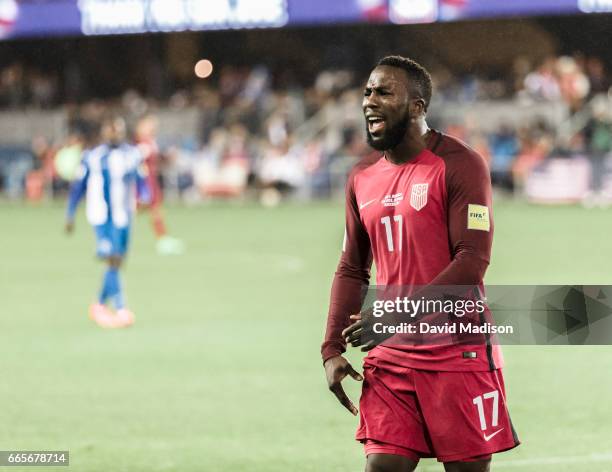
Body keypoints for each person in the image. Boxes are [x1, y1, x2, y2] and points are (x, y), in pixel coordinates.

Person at [321, 56, 520, 471]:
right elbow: (352, 268)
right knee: (382, 465)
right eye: (367, 92)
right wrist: (331, 349)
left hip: (456, 353)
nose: (369, 101)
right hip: (390, 355)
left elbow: (472, 261)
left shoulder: (460, 164)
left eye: (384, 92)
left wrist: (396, 313)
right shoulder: (361, 175)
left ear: (417, 106)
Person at [65, 116, 149, 328]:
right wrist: (70, 213)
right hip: (101, 216)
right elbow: (78, 187)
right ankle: (121, 309)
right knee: (111, 257)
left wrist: (145, 197)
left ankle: (99, 305)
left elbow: (141, 180)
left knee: (118, 262)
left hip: (124, 216)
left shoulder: (132, 154)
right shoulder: (92, 157)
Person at [134, 114, 185, 255]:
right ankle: (114, 233)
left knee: (154, 210)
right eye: (149, 124)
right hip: (144, 181)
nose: (153, 126)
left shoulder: (150, 141)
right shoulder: (142, 144)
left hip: (151, 180)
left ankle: (163, 240)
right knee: (137, 209)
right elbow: (137, 162)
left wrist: (166, 158)